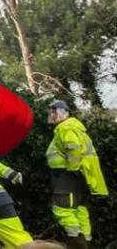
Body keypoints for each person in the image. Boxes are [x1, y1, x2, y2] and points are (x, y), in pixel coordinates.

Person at [46, 99, 108, 248]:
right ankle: (86, 241)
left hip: (68, 176)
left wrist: (72, 169)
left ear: (61, 112)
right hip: (79, 176)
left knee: (62, 208)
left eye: (53, 112)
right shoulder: (75, 127)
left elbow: (73, 148)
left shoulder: (65, 128)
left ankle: (76, 243)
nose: (51, 115)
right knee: (80, 209)